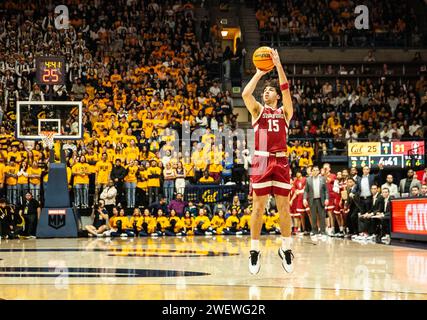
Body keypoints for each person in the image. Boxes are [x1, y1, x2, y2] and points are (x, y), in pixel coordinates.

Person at [242, 48, 294, 274]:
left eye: (270, 90)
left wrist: (278, 65)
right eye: (265, 91)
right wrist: (260, 73)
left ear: (277, 96)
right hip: (262, 160)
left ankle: (286, 248)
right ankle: (254, 250)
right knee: (258, 208)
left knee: (284, 208)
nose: (266, 92)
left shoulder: (285, 112)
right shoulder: (257, 111)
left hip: (281, 161)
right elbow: (245, 94)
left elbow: (286, 87)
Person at [303, 166, 329, 239]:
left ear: (319, 171)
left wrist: (327, 199)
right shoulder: (308, 180)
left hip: (321, 200)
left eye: (316, 170)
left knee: (322, 216)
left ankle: (323, 232)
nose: (315, 171)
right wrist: (304, 199)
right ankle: (314, 231)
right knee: (313, 217)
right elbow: (306, 190)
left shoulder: (322, 179)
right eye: (313, 170)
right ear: (312, 172)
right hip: (312, 200)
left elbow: (326, 190)